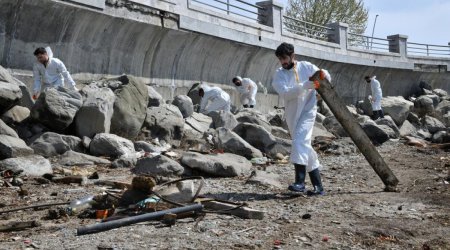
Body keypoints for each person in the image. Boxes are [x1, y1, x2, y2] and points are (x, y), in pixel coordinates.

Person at [271, 42, 331, 195]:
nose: (283, 62)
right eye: (280, 59)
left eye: (285, 58)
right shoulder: (279, 74)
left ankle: (300, 182)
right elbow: (285, 93)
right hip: (291, 115)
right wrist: (305, 85)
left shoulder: (306, 66)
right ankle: (318, 186)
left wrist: (321, 80)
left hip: (307, 111)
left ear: (293, 56)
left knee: (299, 142)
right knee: (304, 145)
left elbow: (323, 74)